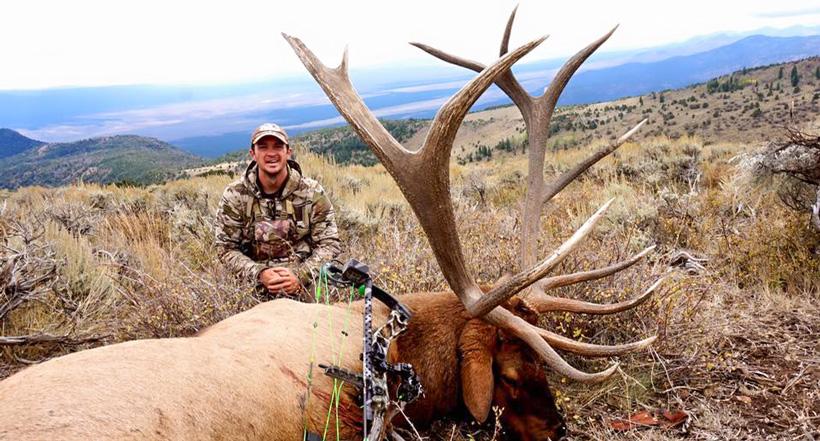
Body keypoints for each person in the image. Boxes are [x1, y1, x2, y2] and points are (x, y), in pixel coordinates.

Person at [215, 123, 341, 299]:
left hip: (305, 284)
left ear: (288, 152)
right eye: (263, 147)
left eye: (278, 146)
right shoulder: (235, 195)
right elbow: (226, 249)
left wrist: (301, 275)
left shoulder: (312, 192)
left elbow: (329, 244)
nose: (271, 153)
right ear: (253, 154)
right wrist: (259, 273)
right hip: (254, 286)